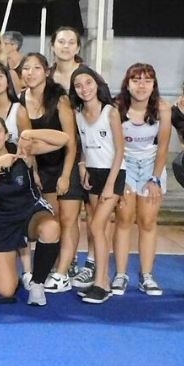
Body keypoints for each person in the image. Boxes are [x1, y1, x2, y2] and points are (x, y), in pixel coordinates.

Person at [0, 117, 65, 306]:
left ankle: (37, 284)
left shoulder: (22, 149)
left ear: (6, 135)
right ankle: (12, 272)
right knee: (6, 290)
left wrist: (30, 133)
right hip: (1, 219)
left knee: (51, 228)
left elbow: (64, 139)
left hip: (31, 210)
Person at [18, 52, 82, 294]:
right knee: (53, 218)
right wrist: (34, 171)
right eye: (26, 68)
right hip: (42, 167)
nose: (31, 73)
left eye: (36, 68)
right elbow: (27, 144)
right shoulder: (20, 101)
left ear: (46, 72)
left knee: (68, 219)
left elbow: (71, 141)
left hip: (65, 162)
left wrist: (65, 175)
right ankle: (55, 265)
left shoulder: (60, 99)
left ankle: (63, 272)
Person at [69, 65, 125, 304]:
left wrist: (111, 184)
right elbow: (84, 145)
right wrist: (82, 166)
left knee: (96, 227)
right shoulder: (78, 113)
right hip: (92, 174)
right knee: (96, 228)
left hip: (112, 174)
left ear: (97, 84)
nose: (84, 89)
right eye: (78, 85)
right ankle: (102, 281)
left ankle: (101, 283)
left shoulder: (110, 112)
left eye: (88, 83)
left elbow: (120, 150)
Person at [113, 63, 170, 297]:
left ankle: (147, 276)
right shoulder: (116, 108)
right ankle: (120, 274)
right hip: (124, 163)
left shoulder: (162, 108)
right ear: (127, 84)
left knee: (147, 221)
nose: (141, 85)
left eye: (147, 80)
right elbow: (115, 147)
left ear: (154, 85)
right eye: (136, 80)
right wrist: (120, 178)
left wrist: (155, 179)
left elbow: (163, 147)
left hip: (151, 165)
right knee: (124, 219)